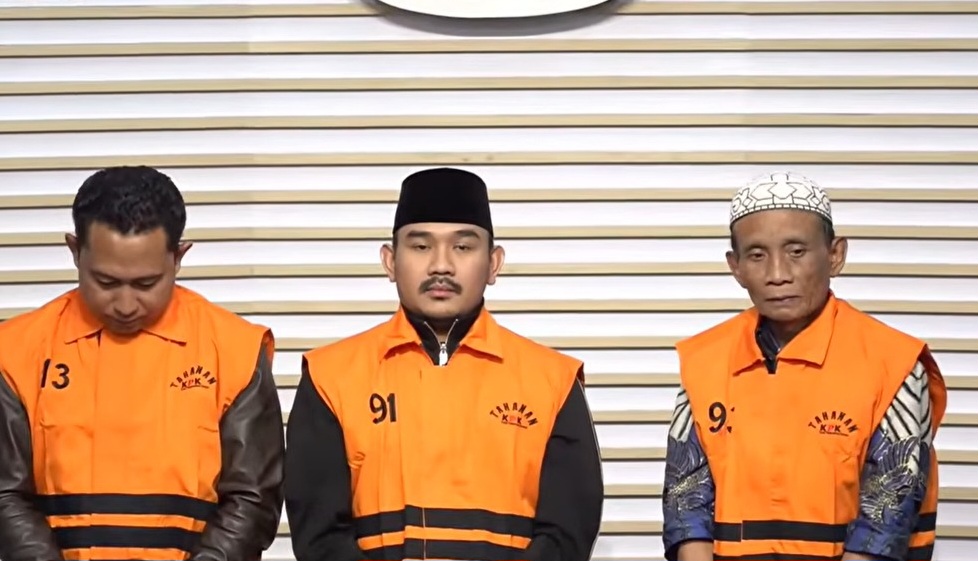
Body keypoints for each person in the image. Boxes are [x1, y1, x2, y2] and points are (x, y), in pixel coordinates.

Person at [284, 167, 604, 561]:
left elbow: (567, 535)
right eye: (421, 246)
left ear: (494, 264)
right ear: (389, 261)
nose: (441, 265)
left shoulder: (553, 380)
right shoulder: (330, 377)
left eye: (463, 247)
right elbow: (319, 538)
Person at [0, 166, 285, 561]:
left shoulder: (235, 349)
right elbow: (6, 493)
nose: (125, 305)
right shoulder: (15, 351)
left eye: (146, 284)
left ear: (179, 256)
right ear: (74, 251)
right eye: (105, 282)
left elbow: (254, 499)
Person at [662, 171, 947, 561]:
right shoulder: (704, 361)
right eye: (757, 255)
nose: (778, 274)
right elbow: (687, 505)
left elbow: (885, 520)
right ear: (735, 266)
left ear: (836, 255)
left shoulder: (893, 362)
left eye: (796, 251)